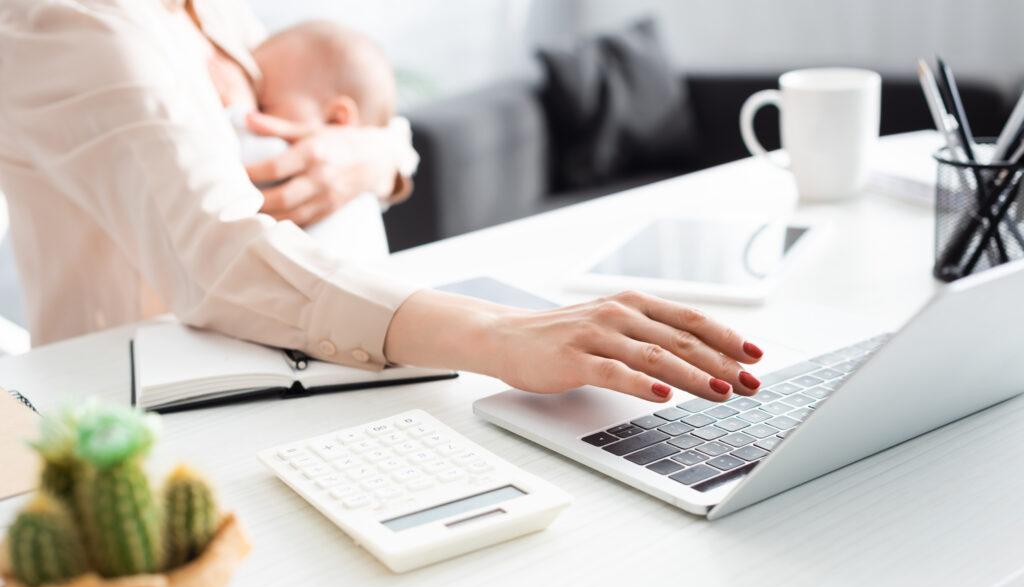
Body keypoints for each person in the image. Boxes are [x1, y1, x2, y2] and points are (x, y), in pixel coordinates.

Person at [0, 0, 765, 406]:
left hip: (290, 364)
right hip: (132, 410)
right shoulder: (67, 24)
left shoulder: (207, 11)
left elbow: (334, 107)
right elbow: (221, 257)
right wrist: (501, 336)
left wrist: (376, 151)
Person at [229, 21, 405, 260]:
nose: (253, 115)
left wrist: (233, 112)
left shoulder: (285, 157)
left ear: (335, 120)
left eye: (264, 104)